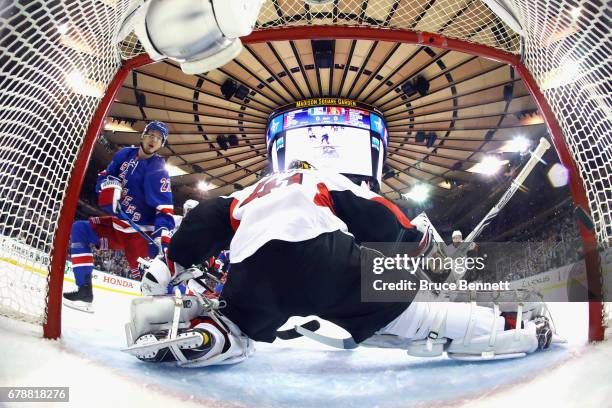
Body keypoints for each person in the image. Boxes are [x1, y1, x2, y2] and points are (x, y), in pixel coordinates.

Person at [127, 160, 553, 367]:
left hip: (253, 270)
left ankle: (209, 339)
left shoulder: (247, 193)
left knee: (237, 324)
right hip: (325, 256)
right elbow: (380, 215)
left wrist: (172, 263)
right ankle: (515, 330)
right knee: (416, 312)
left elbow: (202, 220)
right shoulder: (319, 178)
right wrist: (421, 252)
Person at [63, 121, 175, 312]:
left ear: (161, 144)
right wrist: (108, 185)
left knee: (158, 281)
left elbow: (164, 208)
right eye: (151, 134)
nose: (153, 140)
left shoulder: (158, 171)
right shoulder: (124, 154)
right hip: (117, 227)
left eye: (159, 138)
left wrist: (162, 238)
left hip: (140, 237)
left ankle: (174, 318)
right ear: (143, 135)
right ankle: (84, 291)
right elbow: (104, 176)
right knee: (80, 229)